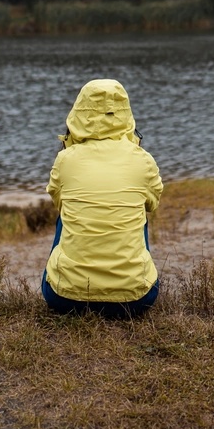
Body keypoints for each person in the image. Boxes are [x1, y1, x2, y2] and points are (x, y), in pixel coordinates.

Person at [41, 79, 163, 318]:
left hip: (64, 299)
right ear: (126, 114)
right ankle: (128, 278)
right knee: (140, 211)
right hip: (136, 299)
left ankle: (72, 278)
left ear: (78, 113)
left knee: (65, 215)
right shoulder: (142, 159)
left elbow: (58, 202)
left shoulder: (66, 159)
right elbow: (153, 204)